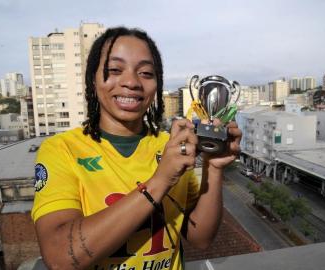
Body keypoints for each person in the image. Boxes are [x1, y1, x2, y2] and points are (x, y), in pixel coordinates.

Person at [31, 26, 242, 270]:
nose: (131, 82)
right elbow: (60, 258)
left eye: (145, 73)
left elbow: (201, 239)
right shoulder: (61, 150)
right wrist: (160, 181)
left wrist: (213, 168)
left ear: (156, 84)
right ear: (93, 78)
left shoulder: (171, 146)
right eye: (114, 70)